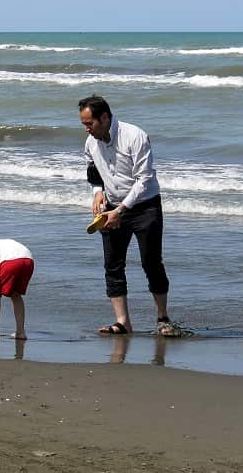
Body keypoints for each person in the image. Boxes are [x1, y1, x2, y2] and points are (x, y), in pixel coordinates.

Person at [79, 95, 183, 337]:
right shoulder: (91, 143)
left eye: (89, 123)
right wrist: (97, 193)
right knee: (113, 265)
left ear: (104, 117)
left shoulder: (134, 136)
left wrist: (121, 210)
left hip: (145, 206)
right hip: (111, 206)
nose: (86, 129)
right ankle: (122, 322)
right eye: (83, 124)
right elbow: (92, 169)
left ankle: (162, 318)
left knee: (151, 262)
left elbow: (145, 180)